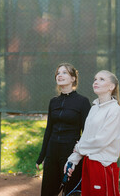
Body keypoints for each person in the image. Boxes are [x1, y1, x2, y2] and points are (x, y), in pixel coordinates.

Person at [36, 63, 91, 196]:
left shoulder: (82, 101)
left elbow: (87, 131)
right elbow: (49, 129)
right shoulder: (53, 102)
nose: (60, 75)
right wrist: (42, 156)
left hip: (71, 152)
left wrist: (80, 153)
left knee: (71, 191)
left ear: (73, 79)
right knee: (49, 190)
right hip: (52, 151)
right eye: (58, 73)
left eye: (64, 72)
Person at [65, 70, 120, 196]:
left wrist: (78, 148)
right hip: (88, 163)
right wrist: (73, 159)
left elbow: (101, 140)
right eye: (95, 79)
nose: (96, 82)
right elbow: (86, 136)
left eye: (102, 79)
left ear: (111, 87)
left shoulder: (115, 110)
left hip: (103, 166)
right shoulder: (94, 107)